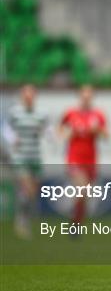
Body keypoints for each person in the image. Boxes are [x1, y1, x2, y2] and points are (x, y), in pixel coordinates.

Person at [59, 85, 108, 225]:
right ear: (80, 97)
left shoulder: (98, 115)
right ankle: (75, 220)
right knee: (82, 189)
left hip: (91, 159)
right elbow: (60, 129)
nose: (86, 100)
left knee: (86, 195)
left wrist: (97, 130)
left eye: (89, 97)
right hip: (74, 158)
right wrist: (68, 134)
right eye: (84, 97)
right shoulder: (71, 113)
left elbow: (106, 135)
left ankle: (76, 221)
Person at [6, 84, 48, 239]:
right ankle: (21, 220)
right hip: (20, 156)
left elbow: (47, 130)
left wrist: (50, 136)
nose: (28, 97)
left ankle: (24, 216)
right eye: (26, 95)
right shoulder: (15, 113)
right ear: (22, 96)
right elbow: (6, 129)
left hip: (35, 156)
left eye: (31, 95)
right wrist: (12, 139)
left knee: (33, 192)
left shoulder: (41, 114)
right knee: (26, 187)